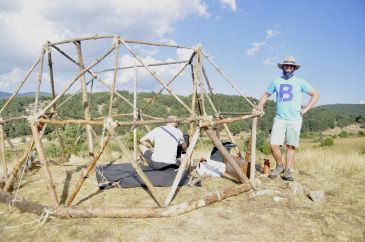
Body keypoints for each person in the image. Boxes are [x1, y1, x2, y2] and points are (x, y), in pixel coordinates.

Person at [256, 56, 320, 181]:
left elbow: (315, 94)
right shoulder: (276, 81)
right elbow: (266, 94)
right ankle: (279, 166)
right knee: (274, 145)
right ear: (283, 67)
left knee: (290, 146)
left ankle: (287, 171)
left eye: (291, 66)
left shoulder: (300, 81)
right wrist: (260, 105)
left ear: (294, 68)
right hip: (280, 118)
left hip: (295, 119)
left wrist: (305, 109)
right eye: (287, 65)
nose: (289, 67)